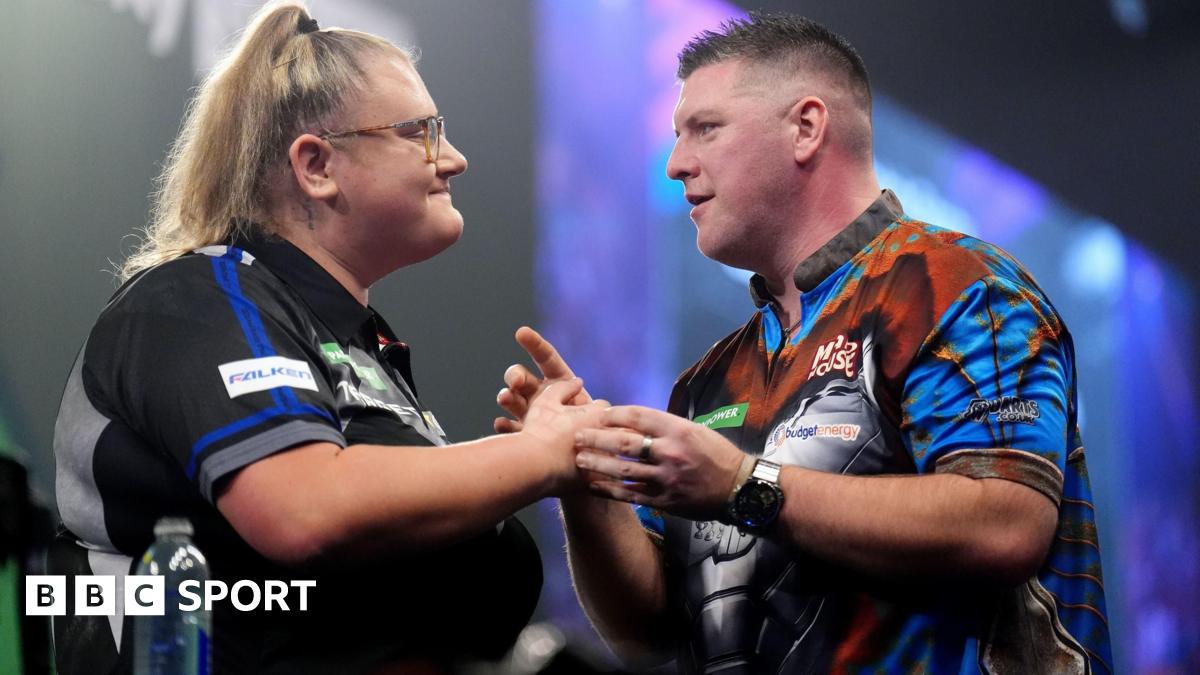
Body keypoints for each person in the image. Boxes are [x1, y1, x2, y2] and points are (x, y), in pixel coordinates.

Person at [497, 12, 1113, 674]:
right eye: (678, 134)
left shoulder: (960, 286)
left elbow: (1005, 524)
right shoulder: (710, 379)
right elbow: (650, 629)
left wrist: (741, 484)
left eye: (705, 128)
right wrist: (583, 484)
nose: (677, 162)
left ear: (807, 127)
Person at [50, 3, 603, 673]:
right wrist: (542, 456)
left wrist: (534, 466)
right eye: (421, 132)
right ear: (315, 165)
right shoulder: (198, 299)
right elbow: (303, 510)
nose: (453, 158)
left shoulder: (356, 342)